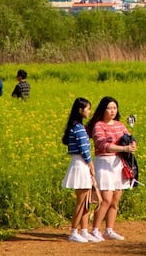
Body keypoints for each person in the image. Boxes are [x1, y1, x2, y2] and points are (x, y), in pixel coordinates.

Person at [87, 96, 136, 242]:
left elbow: (128, 138)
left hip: (118, 163)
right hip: (104, 163)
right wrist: (124, 148)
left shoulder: (120, 125)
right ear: (103, 109)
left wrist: (132, 144)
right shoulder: (98, 125)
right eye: (109, 108)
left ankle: (109, 229)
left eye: (115, 108)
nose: (112, 111)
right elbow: (103, 145)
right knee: (105, 200)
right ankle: (95, 230)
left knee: (115, 199)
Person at [61, 98, 99, 243]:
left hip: (79, 162)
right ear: (80, 110)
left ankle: (83, 230)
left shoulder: (74, 126)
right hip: (81, 164)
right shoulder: (79, 128)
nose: (89, 111)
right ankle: (73, 232)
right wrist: (91, 165)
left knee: (86, 200)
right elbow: (84, 150)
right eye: (88, 109)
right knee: (81, 201)